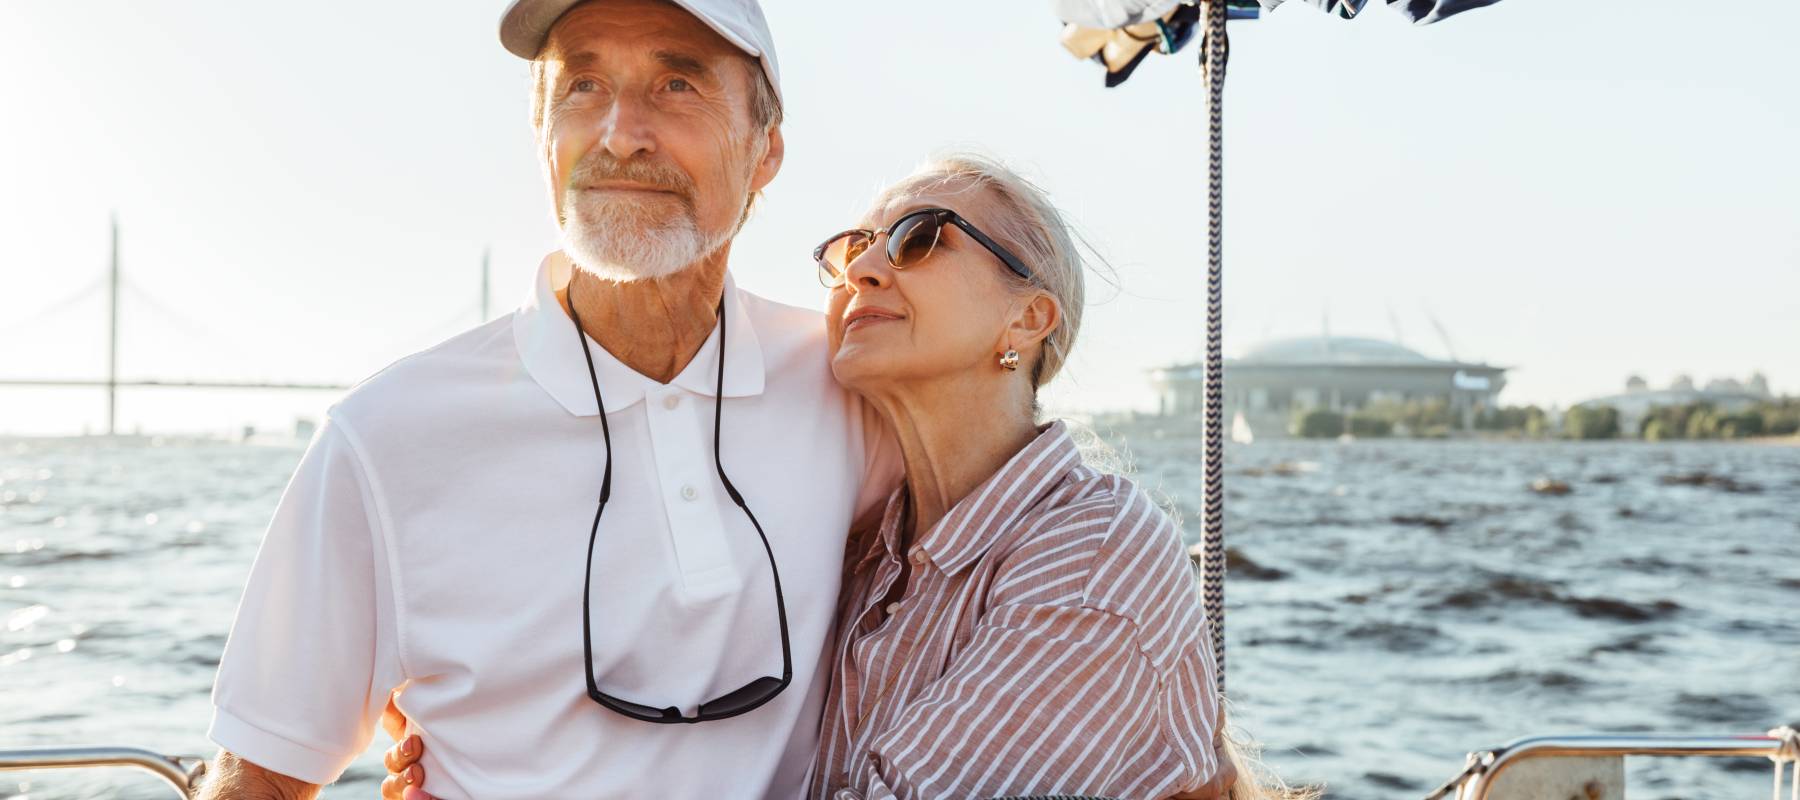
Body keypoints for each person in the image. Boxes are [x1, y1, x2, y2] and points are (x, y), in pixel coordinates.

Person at [383, 154, 1295, 798]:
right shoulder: (870, 538)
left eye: (919, 237)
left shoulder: (1093, 560)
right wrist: (490, 750)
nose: (862, 267)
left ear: (1028, 320)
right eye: (850, 246)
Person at [196, 0, 904, 797]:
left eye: (677, 83)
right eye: (584, 86)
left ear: (765, 149)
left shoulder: (852, 387)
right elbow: (262, 773)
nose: (620, 134)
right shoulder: (386, 437)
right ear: (541, 137)